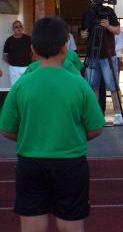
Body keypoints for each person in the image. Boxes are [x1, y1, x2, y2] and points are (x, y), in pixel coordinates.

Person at [0, 17, 104, 232]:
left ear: (33, 50)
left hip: (30, 162)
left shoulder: (21, 85)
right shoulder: (79, 85)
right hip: (71, 163)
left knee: (32, 226)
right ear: (65, 49)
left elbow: (7, 129)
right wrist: (69, 136)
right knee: (71, 225)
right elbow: (95, 127)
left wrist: (33, 137)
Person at [80, 0, 123, 125]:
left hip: (108, 55)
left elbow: (117, 30)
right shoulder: (87, 14)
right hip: (93, 55)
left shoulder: (109, 11)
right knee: (93, 86)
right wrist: (83, 34)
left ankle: (118, 115)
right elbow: (83, 32)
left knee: (113, 86)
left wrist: (107, 25)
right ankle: (96, 117)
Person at [3, 20, 32, 86]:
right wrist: (12, 63)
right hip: (14, 69)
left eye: (20, 26)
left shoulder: (29, 39)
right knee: (15, 87)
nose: (19, 28)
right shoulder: (9, 40)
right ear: (13, 29)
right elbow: (5, 56)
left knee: (27, 86)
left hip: (27, 67)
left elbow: (34, 52)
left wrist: (31, 62)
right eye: (16, 27)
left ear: (22, 28)